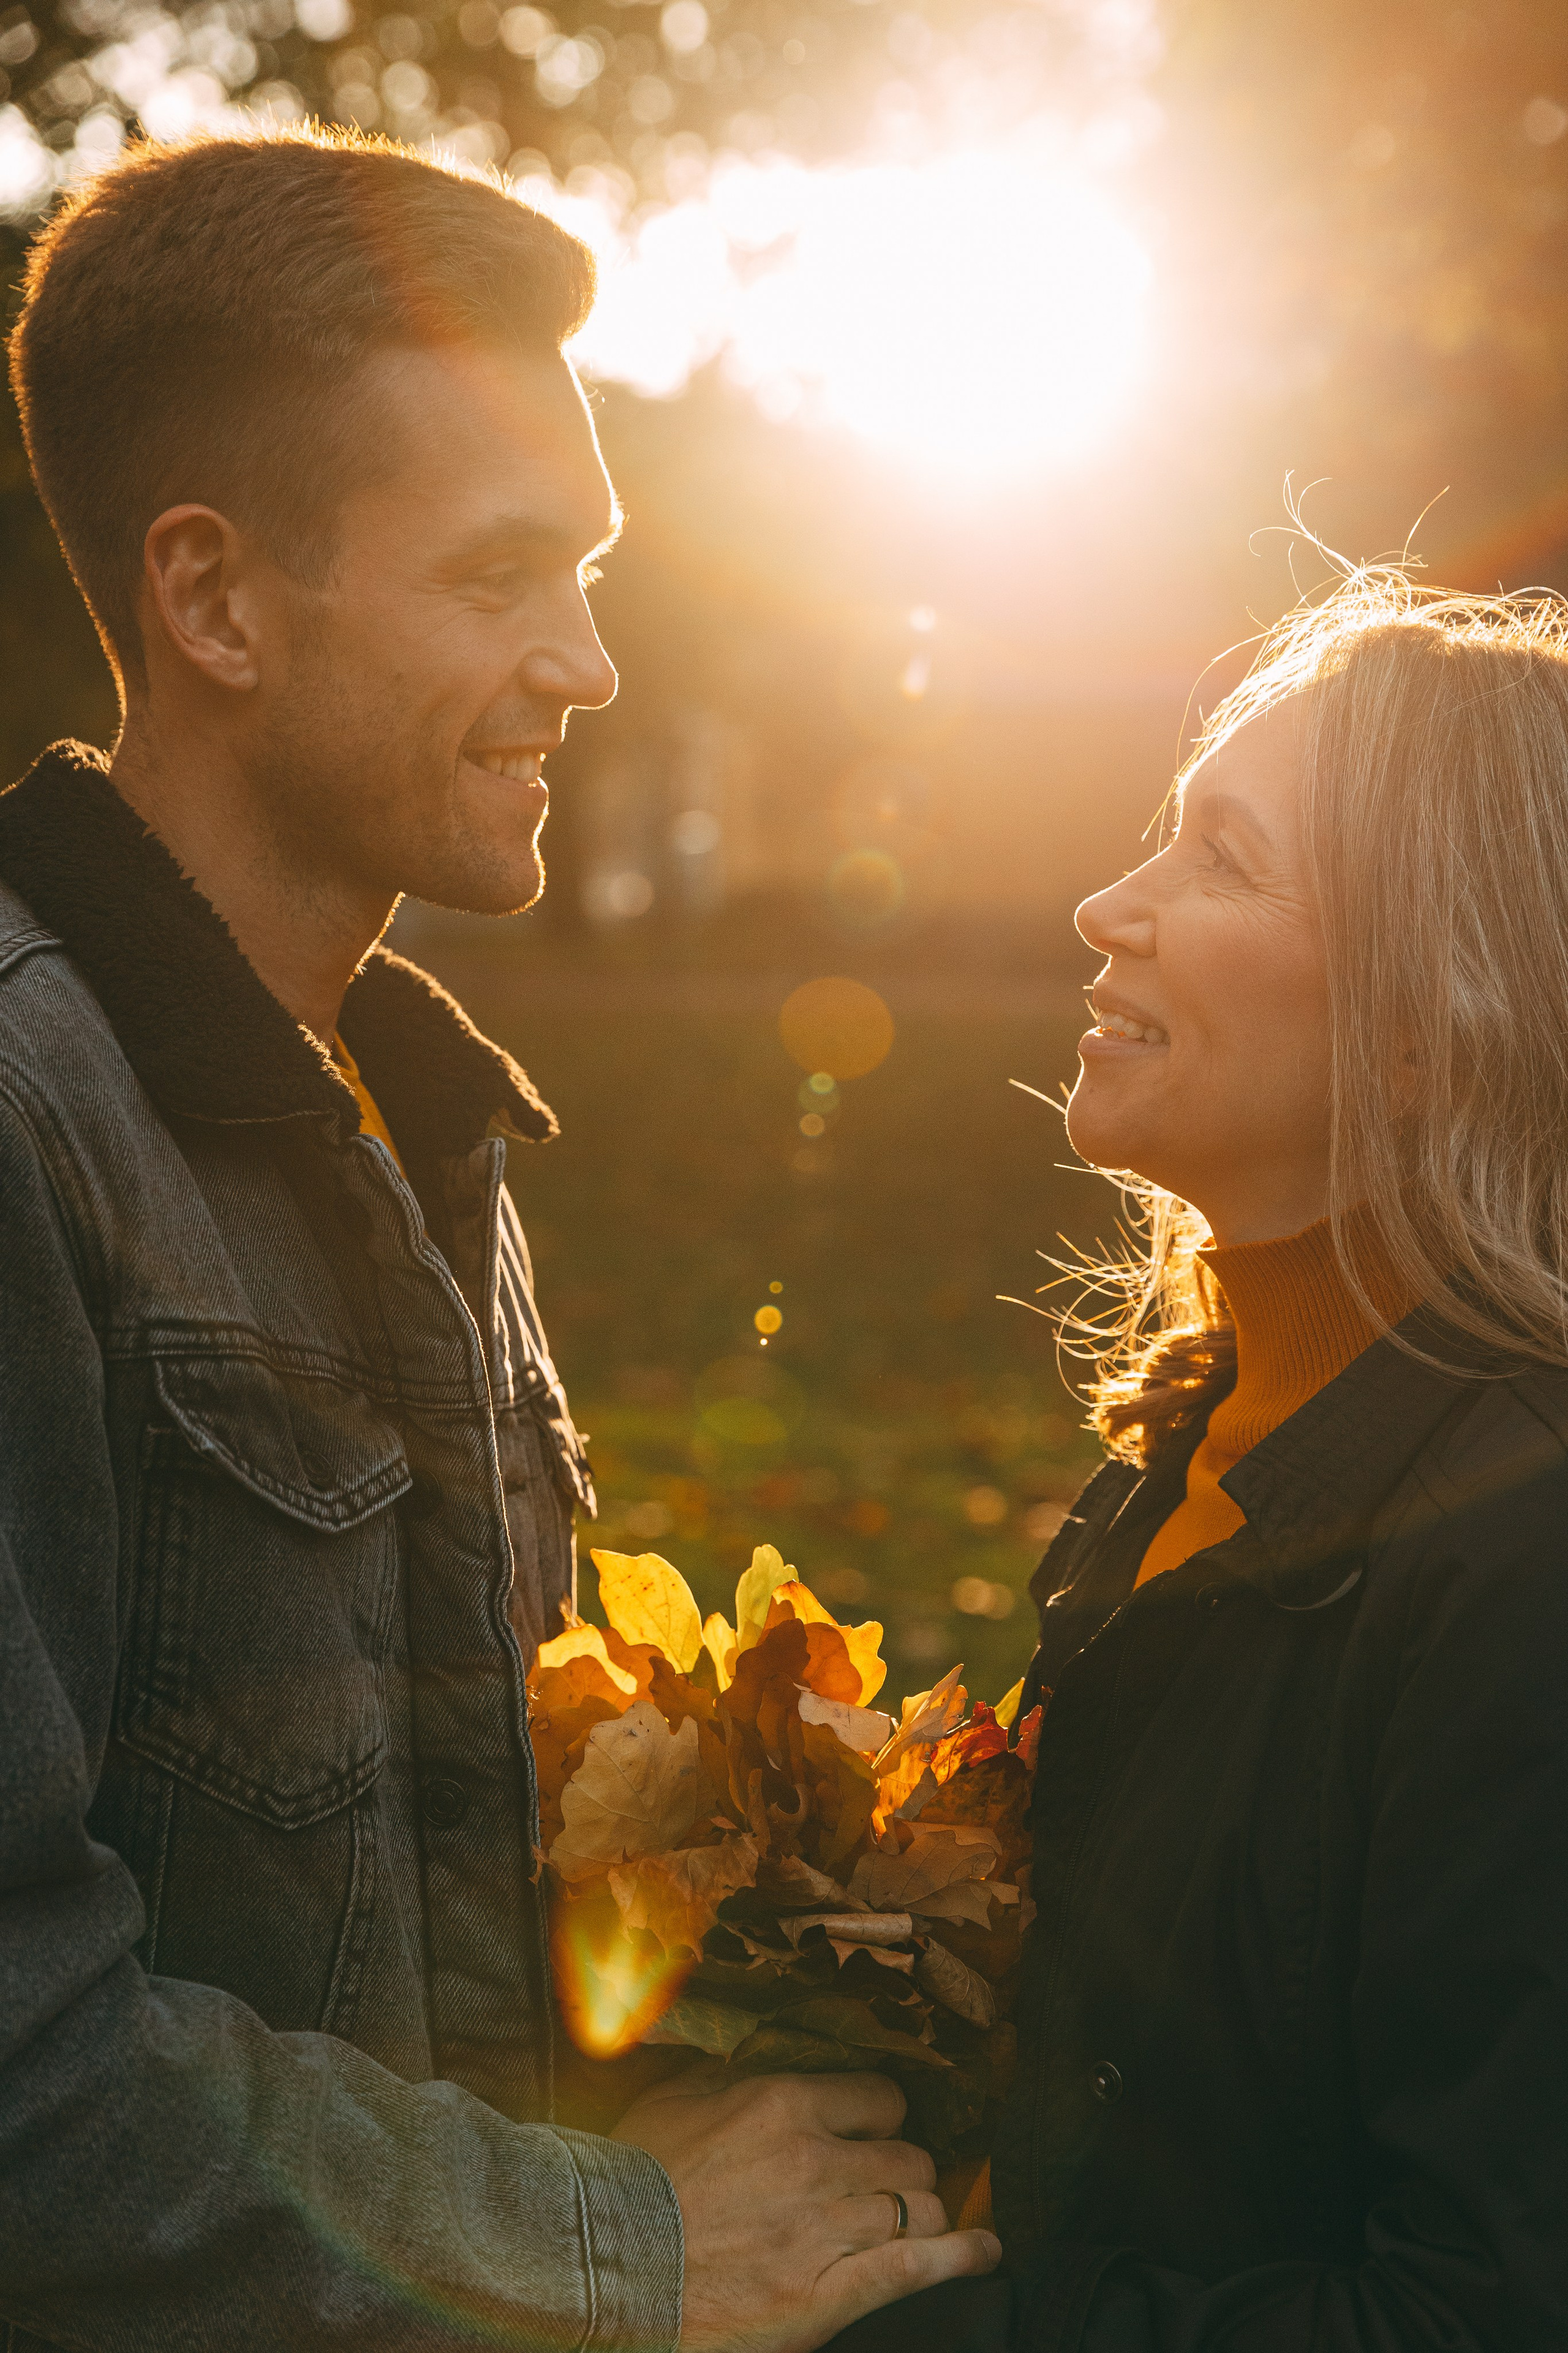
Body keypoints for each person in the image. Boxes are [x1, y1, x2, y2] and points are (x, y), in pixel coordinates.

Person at [0, 127, 1000, 2350]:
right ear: (217, 599)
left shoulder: (413, 1114)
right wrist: (614, 2245)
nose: (589, 665)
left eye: (595, 572)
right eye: (500, 577)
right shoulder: (28, 1126)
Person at [834, 567, 1568, 2352]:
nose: (1108, 905)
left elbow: (1483, 2308)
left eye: (1221, 861)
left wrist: (883, 2330)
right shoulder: (1187, 1448)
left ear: (1425, 1023)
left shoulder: (1518, 1554)